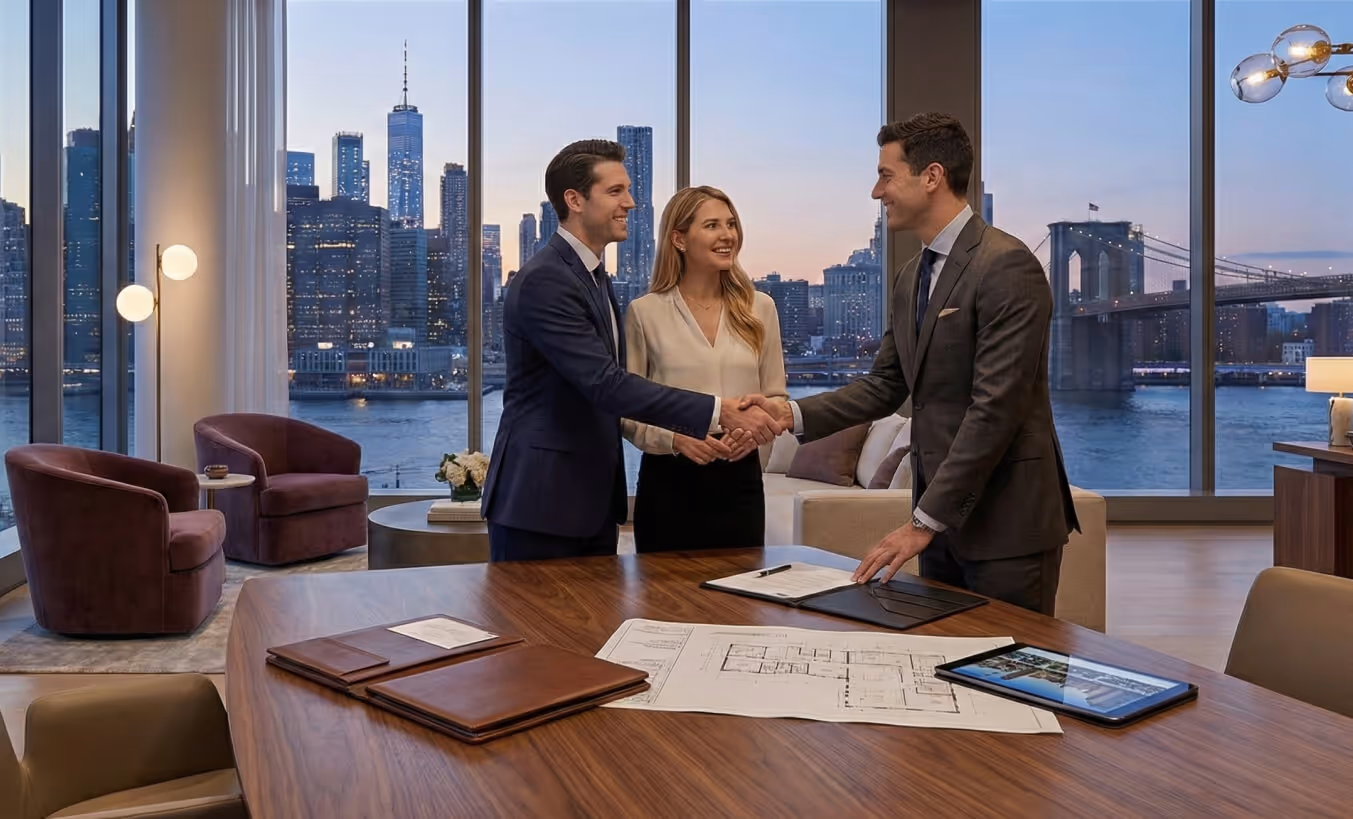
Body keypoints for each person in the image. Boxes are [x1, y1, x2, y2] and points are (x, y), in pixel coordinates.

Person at [743, 113, 1079, 615]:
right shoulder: (910, 277)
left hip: (1007, 523)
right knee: (945, 663)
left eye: (886, 175)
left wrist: (923, 522)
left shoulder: (1007, 265)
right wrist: (788, 415)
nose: (877, 192)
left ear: (932, 176)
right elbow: (885, 385)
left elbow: (995, 410)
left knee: (1009, 673)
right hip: (942, 522)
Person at [481, 140, 781, 562]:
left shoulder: (593, 278)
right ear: (575, 200)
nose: (631, 202)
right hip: (543, 504)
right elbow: (607, 384)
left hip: (587, 504)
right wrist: (718, 412)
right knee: (539, 626)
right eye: (616, 191)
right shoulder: (547, 280)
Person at [622, 186, 788, 552]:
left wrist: (754, 434)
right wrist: (676, 439)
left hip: (740, 480)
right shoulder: (644, 312)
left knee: (738, 604)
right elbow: (629, 410)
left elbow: (776, 399)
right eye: (712, 225)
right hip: (669, 482)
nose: (727, 235)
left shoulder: (761, 308)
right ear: (679, 239)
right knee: (664, 603)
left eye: (731, 224)